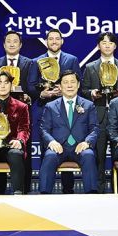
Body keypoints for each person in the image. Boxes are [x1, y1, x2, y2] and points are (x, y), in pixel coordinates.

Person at [28, 29, 82, 193]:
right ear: (46, 41)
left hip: (67, 112)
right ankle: (46, 190)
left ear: (62, 41)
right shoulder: (36, 61)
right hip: (44, 110)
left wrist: (65, 91)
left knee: (68, 145)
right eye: (50, 39)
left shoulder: (71, 60)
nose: (54, 41)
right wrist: (42, 93)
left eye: (57, 39)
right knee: (48, 150)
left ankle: (68, 189)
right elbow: (30, 86)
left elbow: (79, 84)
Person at [81, 32, 118, 193]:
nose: (107, 45)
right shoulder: (90, 67)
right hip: (98, 117)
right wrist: (92, 93)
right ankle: (99, 192)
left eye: (110, 43)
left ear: (115, 46)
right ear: (98, 46)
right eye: (104, 42)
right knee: (99, 158)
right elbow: (83, 90)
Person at [0, 30, 37, 193]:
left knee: (23, 151)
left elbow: (33, 87)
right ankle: (0, 190)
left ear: (20, 45)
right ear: (4, 45)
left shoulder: (30, 63)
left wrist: (28, 95)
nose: (11, 44)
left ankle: (24, 189)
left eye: (15, 41)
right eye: (8, 41)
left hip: (22, 114)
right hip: (0, 113)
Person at [38, 70, 99, 194]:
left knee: (88, 155)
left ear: (78, 85)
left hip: (80, 146)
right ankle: (44, 195)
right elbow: (44, 129)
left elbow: (95, 128)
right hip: (59, 146)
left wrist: (87, 142)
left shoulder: (88, 105)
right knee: (49, 156)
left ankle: (92, 195)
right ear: (60, 86)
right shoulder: (50, 106)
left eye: (73, 82)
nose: (69, 85)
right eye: (65, 82)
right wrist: (51, 142)